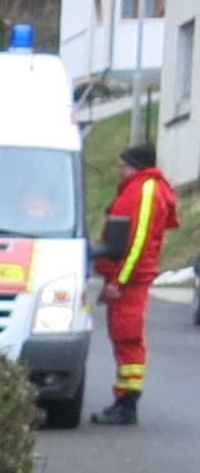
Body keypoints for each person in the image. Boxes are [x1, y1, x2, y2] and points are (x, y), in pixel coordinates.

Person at [95, 138, 175, 425]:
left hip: (130, 281)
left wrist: (119, 279)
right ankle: (124, 400)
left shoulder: (146, 190)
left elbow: (138, 241)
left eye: (123, 165)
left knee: (128, 338)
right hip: (128, 278)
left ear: (135, 166)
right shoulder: (141, 188)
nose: (119, 170)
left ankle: (127, 404)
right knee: (123, 337)